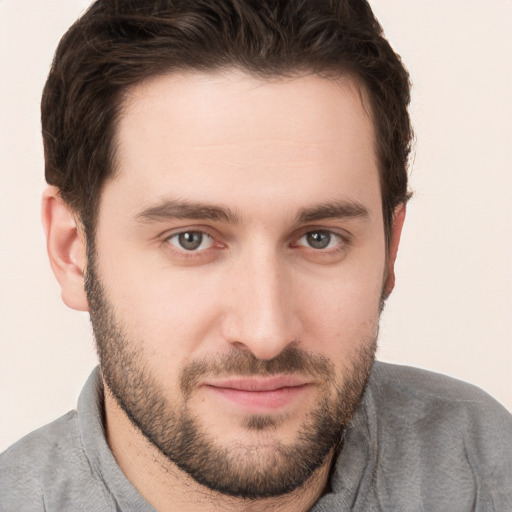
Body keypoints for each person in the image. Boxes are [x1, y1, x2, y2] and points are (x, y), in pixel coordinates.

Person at [1, 0, 511, 510]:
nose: (266, 333)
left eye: (319, 238)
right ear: (72, 251)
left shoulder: (487, 465)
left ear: (389, 248)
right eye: (191, 239)